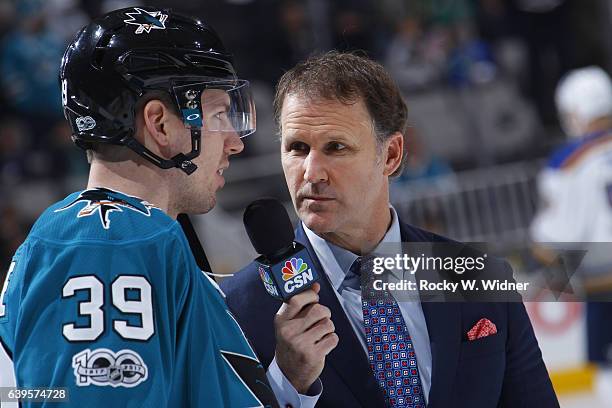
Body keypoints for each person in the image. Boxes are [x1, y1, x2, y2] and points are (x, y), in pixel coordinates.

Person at [0, 7, 327, 408]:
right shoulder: (113, 246)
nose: (235, 142)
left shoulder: (124, 242)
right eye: (220, 114)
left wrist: (286, 381)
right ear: (159, 123)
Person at [221, 51, 559, 407]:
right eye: (297, 148)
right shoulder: (237, 307)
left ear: (392, 154)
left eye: (336, 147)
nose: (311, 172)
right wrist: (286, 385)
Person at [531, 65, 612, 402]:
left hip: (605, 283)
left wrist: (545, 262)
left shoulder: (567, 162)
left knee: (602, 366)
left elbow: (556, 234)